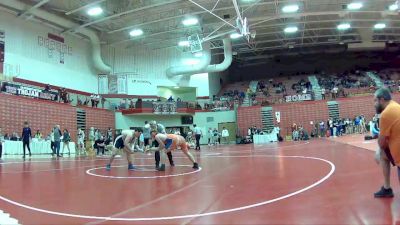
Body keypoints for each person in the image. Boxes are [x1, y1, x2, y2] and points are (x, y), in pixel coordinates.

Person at [373, 88, 400, 198]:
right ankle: (387, 188)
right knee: (384, 155)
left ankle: (387, 189)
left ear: (382, 99)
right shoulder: (395, 105)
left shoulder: (386, 114)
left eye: (375, 101)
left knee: (382, 152)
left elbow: (382, 143)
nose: (374, 104)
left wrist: (378, 150)